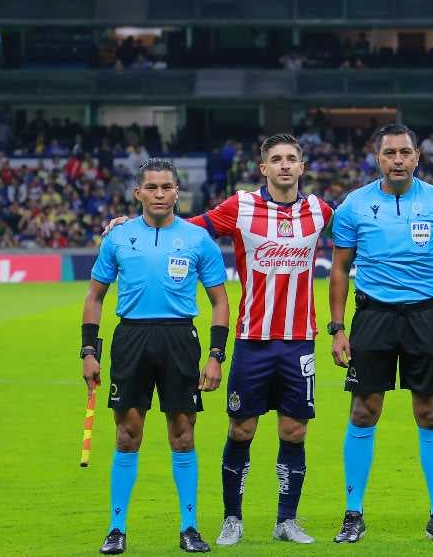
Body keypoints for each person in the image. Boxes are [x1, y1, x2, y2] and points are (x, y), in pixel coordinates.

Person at [103, 134, 334, 547]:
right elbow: (184, 229)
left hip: (299, 339)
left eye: (292, 159)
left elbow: (357, 242)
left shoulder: (321, 211)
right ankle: (232, 519)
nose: (284, 165)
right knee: (241, 429)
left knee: (294, 431)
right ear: (263, 168)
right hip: (251, 338)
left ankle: (287, 520)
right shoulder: (240, 206)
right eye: (276, 159)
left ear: (302, 166)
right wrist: (129, 222)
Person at [328, 124, 433, 544]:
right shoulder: (355, 205)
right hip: (372, 319)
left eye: (405, 152)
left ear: (417, 157)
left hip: (424, 319)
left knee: (431, 413)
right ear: (378, 157)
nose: (398, 160)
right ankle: (353, 513)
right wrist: (338, 329)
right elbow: (339, 269)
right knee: (363, 411)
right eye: (390, 152)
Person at [82, 159, 229, 554]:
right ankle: (116, 529)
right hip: (131, 337)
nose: (160, 194)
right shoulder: (118, 237)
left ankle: (190, 527)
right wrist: (88, 351)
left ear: (177, 191)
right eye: (152, 187)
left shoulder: (198, 240)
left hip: (180, 338)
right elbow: (95, 296)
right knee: (127, 433)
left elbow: (220, 302)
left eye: (167, 187)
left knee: (183, 435)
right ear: (139, 193)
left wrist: (216, 355)